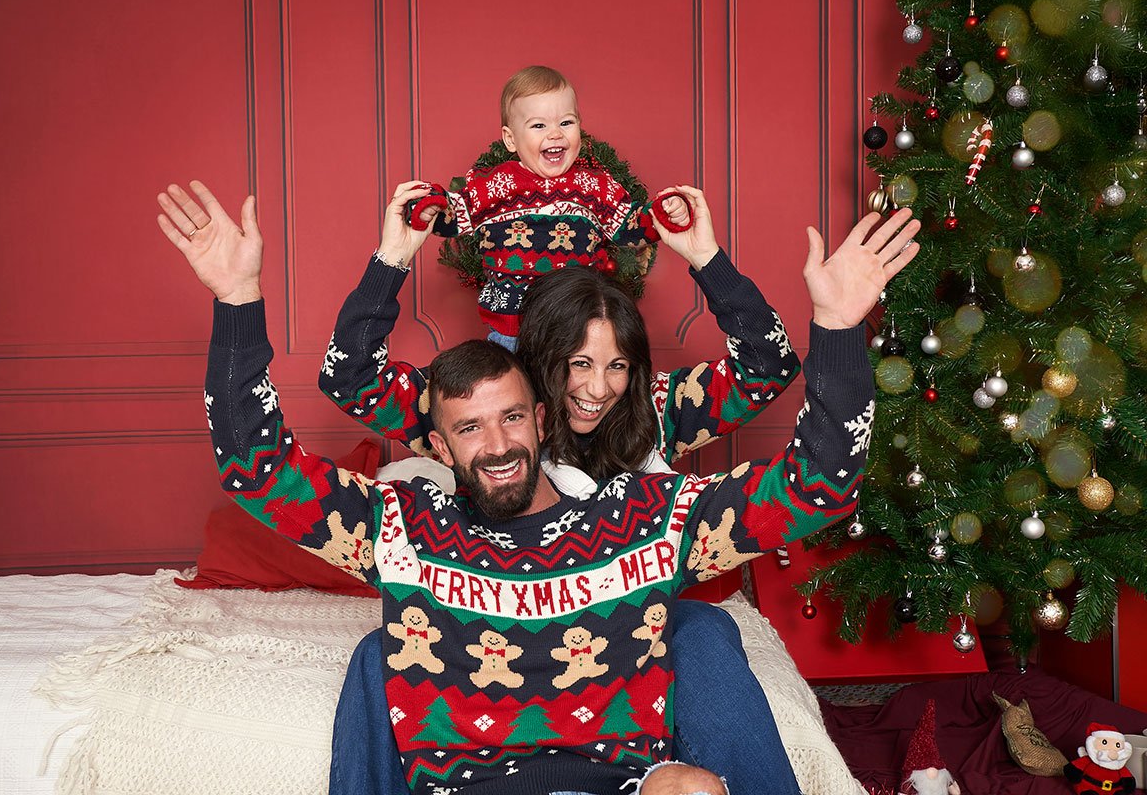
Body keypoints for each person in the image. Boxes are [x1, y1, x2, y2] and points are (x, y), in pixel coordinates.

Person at [156, 179, 916, 795]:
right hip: (465, 760)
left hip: (626, 736)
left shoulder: (645, 515)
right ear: (438, 440)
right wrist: (237, 302)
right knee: (376, 651)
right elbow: (258, 467)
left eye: (512, 419)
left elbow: (819, 483)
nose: (495, 445)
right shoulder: (405, 525)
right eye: (468, 428)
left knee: (702, 658)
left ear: (538, 416)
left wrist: (839, 324)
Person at [322, 183, 813, 794]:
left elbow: (769, 367)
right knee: (380, 651)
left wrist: (707, 258)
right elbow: (349, 377)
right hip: (485, 616)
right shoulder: (497, 418)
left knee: (706, 630)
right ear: (541, 361)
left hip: (623, 626)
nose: (598, 389)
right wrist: (392, 259)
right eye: (578, 364)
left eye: (616, 365)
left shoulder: (653, 409)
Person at [406, 65, 691, 348]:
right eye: (539, 125)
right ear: (510, 139)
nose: (555, 134)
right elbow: (455, 213)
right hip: (511, 333)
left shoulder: (593, 185)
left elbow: (628, 225)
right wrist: (430, 205)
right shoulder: (495, 184)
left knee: (574, 391)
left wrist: (663, 213)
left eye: (566, 123)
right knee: (511, 392)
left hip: (577, 330)